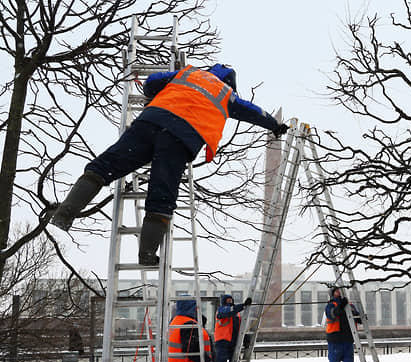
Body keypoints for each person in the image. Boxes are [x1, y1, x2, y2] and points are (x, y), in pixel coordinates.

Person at [50, 63, 289, 265]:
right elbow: (255, 112)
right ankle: (147, 253)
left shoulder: (187, 73)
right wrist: (275, 126)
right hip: (182, 137)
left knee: (103, 167)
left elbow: (152, 82)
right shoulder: (227, 95)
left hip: (151, 122)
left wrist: (162, 95)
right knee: (162, 193)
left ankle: (65, 214)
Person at [214, 294, 251, 362]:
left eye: (231, 300)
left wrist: (245, 338)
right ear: (223, 301)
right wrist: (243, 305)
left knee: (234, 361)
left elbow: (240, 328)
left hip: (233, 341)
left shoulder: (237, 314)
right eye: (228, 300)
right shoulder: (221, 310)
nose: (230, 301)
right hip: (222, 340)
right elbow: (229, 311)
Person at [325, 286, 355, 362]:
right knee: (334, 361)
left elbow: (356, 315)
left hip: (348, 337)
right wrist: (341, 306)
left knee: (348, 361)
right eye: (336, 291)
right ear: (332, 294)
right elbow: (333, 314)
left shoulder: (349, 305)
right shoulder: (330, 305)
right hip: (335, 338)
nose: (339, 292)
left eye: (340, 290)